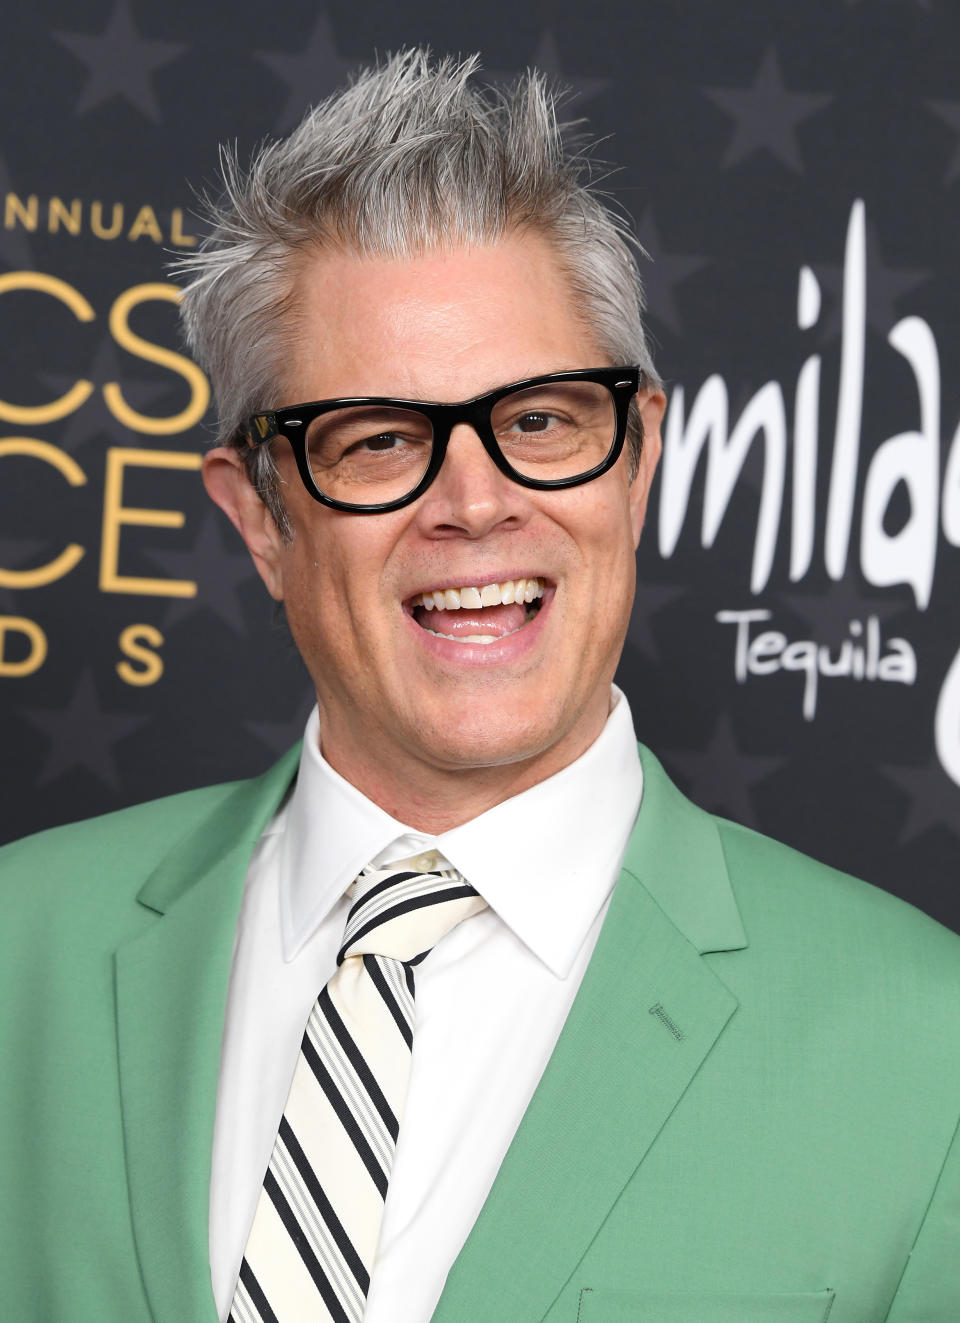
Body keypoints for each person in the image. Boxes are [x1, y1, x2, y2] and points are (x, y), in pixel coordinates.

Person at [1, 50, 958, 1323]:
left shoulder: (923, 1049)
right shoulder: (22, 950)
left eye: (545, 421)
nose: (475, 503)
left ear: (639, 458)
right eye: (380, 439)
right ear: (260, 518)